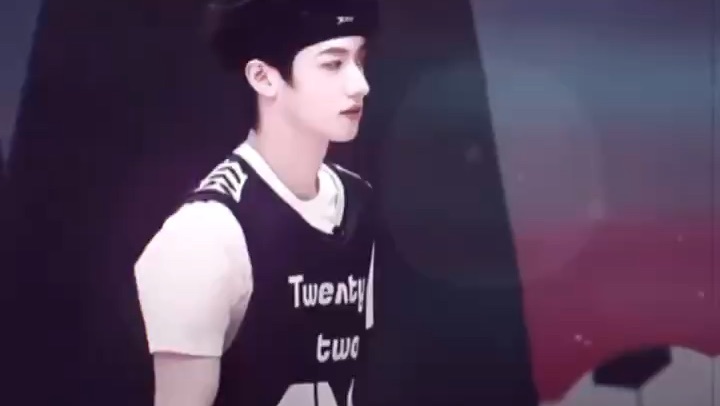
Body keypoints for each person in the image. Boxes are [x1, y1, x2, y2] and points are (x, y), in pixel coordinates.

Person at [133, 0, 379, 405]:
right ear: (264, 77)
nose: (359, 84)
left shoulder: (356, 203)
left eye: (360, 60)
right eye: (333, 64)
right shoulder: (205, 234)